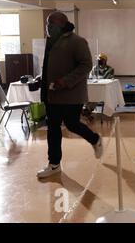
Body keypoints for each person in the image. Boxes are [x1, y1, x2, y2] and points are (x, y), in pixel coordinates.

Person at [37, 11, 103, 179]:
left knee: (72, 124)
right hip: (51, 95)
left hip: (71, 94)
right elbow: (50, 65)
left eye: (51, 23)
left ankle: (95, 139)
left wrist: (65, 81)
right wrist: (43, 79)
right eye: (47, 24)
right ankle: (54, 164)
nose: (48, 27)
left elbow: (86, 65)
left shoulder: (77, 42)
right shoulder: (50, 42)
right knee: (53, 129)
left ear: (61, 24)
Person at [83, 53, 115, 120]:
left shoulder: (110, 69)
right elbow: (91, 78)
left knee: (97, 94)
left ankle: (87, 110)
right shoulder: (94, 68)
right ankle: (87, 110)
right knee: (90, 93)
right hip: (94, 87)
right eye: (98, 60)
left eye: (101, 60)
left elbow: (108, 79)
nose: (99, 61)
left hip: (104, 89)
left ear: (105, 61)